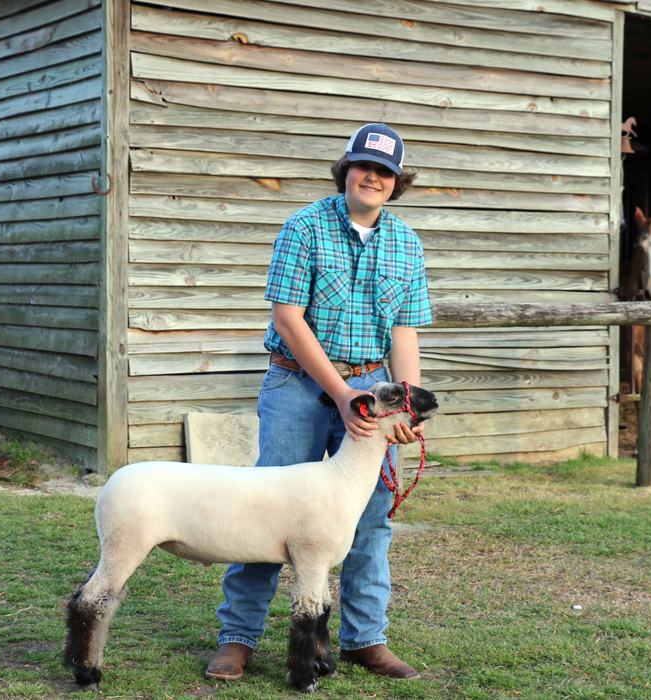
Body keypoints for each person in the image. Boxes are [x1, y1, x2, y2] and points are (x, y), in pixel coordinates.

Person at [204, 123, 432, 682]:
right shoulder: (303, 227)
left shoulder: (407, 243)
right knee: (265, 505)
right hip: (300, 385)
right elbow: (287, 317)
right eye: (363, 166)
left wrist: (405, 407)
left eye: (385, 171)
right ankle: (238, 637)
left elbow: (405, 333)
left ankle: (363, 638)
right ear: (346, 170)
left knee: (372, 515)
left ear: (397, 181)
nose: (372, 177)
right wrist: (341, 393)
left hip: (373, 389)